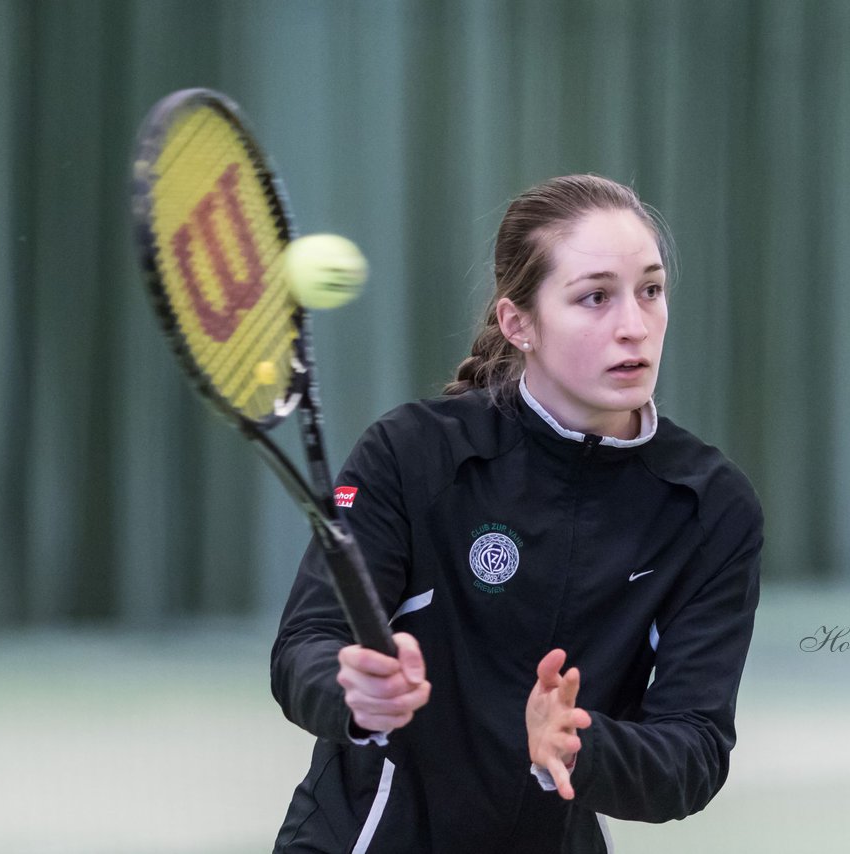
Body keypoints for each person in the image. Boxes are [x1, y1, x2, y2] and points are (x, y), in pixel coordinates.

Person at [271, 174, 763, 853]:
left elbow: (695, 751)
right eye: (595, 297)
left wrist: (579, 746)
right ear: (518, 323)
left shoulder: (710, 506)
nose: (634, 324)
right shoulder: (411, 454)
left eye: (651, 290)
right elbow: (305, 646)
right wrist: (354, 689)